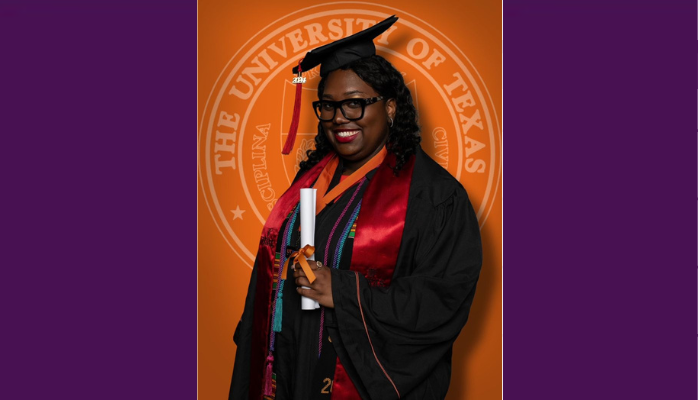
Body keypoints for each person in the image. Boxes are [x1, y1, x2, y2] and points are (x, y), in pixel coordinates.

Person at [229, 15, 482, 400]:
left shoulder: (433, 197)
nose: (338, 118)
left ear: (391, 107)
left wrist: (344, 292)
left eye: (355, 103)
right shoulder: (310, 179)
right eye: (327, 106)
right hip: (289, 371)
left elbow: (442, 301)